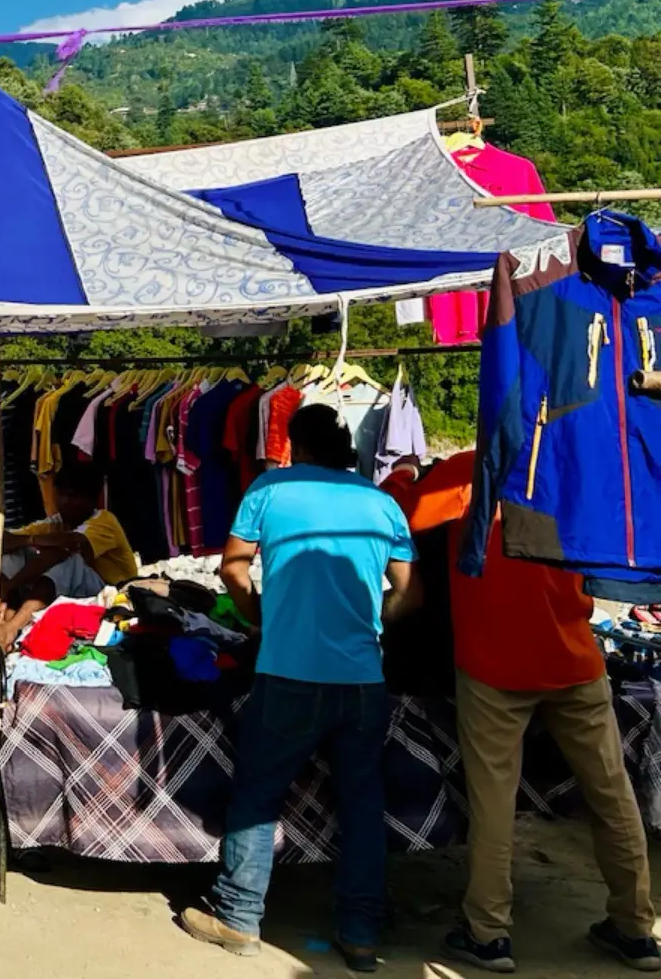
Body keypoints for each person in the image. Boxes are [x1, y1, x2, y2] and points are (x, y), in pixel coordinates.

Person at [382, 451, 659, 974]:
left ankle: (488, 934)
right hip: (575, 659)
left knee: (493, 802)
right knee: (612, 795)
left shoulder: (471, 469)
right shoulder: (578, 469)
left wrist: (406, 476)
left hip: (494, 667)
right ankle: (635, 929)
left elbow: (397, 522)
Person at [181, 404, 417, 970]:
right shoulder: (381, 502)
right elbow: (410, 590)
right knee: (361, 801)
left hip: (288, 673)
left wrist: (261, 617)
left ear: (298, 446)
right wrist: (372, 623)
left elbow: (233, 568)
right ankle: (360, 932)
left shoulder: (270, 489)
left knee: (259, 794)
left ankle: (238, 917)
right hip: (361, 678)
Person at [0, 463, 138, 651]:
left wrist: (9, 586)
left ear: (91, 500)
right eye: (61, 495)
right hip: (76, 592)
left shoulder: (105, 521)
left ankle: (12, 628)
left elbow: (71, 543)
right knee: (10, 556)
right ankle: (9, 619)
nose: (65, 502)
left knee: (69, 559)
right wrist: (31, 540)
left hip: (111, 597)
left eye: (73, 496)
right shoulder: (57, 522)